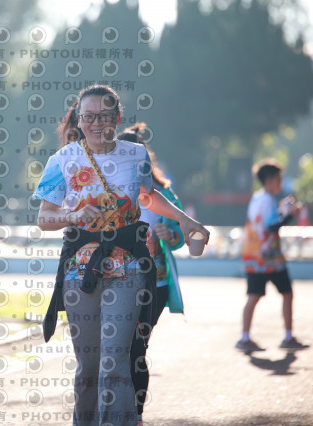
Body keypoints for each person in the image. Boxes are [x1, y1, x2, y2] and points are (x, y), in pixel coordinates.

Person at [33, 85, 209, 426]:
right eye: (89, 117)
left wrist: (184, 220)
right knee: (88, 369)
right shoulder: (62, 160)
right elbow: (44, 218)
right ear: (78, 120)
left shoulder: (136, 155)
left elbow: (148, 196)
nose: (97, 123)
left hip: (128, 268)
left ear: (116, 118)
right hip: (81, 272)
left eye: (104, 116)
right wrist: (72, 216)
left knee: (115, 363)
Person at [117, 123, 185, 423]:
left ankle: (136, 415)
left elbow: (180, 235)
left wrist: (170, 235)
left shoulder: (163, 193)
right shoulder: (108, 191)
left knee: (136, 347)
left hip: (153, 285)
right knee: (116, 349)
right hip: (114, 284)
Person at [238, 158, 308, 352]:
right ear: (269, 180)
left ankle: (244, 338)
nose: (281, 182)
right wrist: (290, 215)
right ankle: (288, 337)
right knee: (286, 293)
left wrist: (284, 212)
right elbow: (271, 226)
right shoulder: (268, 200)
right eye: (279, 179)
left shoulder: (258, 198)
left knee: (254, 296)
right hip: (269, 258)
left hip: (254, 257)